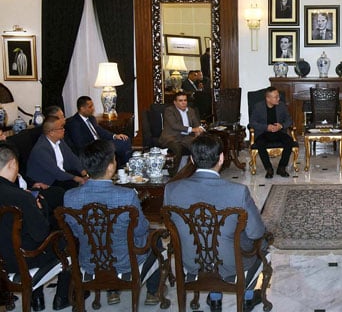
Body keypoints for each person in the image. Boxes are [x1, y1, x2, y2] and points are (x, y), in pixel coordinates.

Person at [164, 134, 267, 312]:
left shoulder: (171, 189)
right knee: (262, 242)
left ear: (192, 159)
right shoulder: (238, 191)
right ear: (221, 158)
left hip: (191, 263)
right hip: (231, 265)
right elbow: (256, 232)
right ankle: (249, 297)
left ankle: (215, 297)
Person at [63, 140, 161, 307]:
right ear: (110, 167)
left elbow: (75, 233)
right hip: (125, 264)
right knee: (155, 238)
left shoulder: (70, 197)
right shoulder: (127, 195)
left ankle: (112, 292)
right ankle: (153, 292)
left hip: (90, 263)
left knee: (103, 240)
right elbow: (140, 230)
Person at [0, 143, 73, 311]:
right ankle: (63, 297)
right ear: (12, 163)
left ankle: (37, 299)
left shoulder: (18, 195)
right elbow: (41, 234)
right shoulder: (21, 198)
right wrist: (40, 209)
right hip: (18, 261)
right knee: (66, 240)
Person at [64, 96, 132, 167]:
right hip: (93, 149)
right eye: (90, 107)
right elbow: (80, 143)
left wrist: (115, 136)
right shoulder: (74, 123)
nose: (93, 108)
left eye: (92, 106)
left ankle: (126, 167)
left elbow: (100, 131)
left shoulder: (91, 118)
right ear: (82, 109)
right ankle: (125, 167)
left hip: (100, 144)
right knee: (121, 145)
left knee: (125, 140)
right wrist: (99, 145)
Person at [26, 116, 87, 190]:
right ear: (51, 132)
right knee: (79, 187)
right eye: (61, 128)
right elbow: (56, 172)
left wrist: (84, 173)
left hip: (62, 174)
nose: (64, 130)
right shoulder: (41, 149)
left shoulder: (60, 141)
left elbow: (72, 158)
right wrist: (78, 179)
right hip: (48, 181)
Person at [249, 87, 294, 179]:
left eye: (278, 96)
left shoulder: (281, 106)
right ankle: (269, 168)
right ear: (268, 98)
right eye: (276, 97)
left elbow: (289, 120)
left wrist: (281, 126)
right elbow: (252, 123)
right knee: (260, 144)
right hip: (263, 133)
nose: (278, 99)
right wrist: (266, 127)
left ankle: (281, 167)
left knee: (289, 141)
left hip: (279, 132)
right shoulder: (258, 107)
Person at [159, 92, 205, 176]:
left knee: (198, 146)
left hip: (186, 137)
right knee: (178, 148)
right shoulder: (169, 111)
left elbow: (197, 124)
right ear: (175, 102)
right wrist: (192, 129)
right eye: (180, 101)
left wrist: (199, 130)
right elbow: (174, 125)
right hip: (171, 137)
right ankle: (174, 174)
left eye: (185, 100)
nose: (184, 103)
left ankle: (193, 172)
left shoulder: (191, 110)